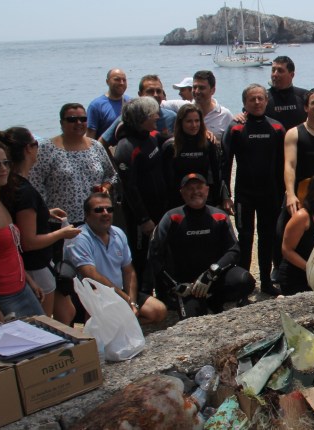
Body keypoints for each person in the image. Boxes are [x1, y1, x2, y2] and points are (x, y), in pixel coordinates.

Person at [0, 128, 81, 323]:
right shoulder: (24, 191)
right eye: (36, 144)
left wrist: (44, 213)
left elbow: (17, 218)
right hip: (35, 265)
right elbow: (29, 241)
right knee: (43, 321)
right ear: (28, 149)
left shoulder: (10, 184)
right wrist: (62, 234)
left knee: (67, 311)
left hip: (30, 263)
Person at [149, 174, 254, 317]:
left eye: (199, 187)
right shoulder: (172, 217)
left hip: (212, 277)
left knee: (245, 281)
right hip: (188, 286)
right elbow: (154, 255)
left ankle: (215, 300)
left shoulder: (219, 216)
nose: (195, 192)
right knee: (192, 321)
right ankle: (197, 302)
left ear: (207, 190)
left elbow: (233, 250)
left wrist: (211, 273)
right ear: (182, 193)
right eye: (190, 189)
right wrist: (175, 285)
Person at [222, 84, 286, 296]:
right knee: (246, 236)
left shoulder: (277, 128)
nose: (257, 103)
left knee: (267, 237)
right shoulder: (236, 128)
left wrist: (285, 192)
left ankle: (266, 282)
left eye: (260, 98)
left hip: (270, 193)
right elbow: (226, 164)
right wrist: (226, 196)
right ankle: (243, 284)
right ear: (245, 104)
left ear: (266, 101)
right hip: (244, 194)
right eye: (252, 99)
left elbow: (283, 165)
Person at [68, 193, 166, 324]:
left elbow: (128, 271)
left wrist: (132, 302)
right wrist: (125, 298)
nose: (105, 213)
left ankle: (124, 322)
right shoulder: (79, 238)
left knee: (159, 311)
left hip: (120, 292)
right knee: (102, 315)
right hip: (94, 293)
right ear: (86, 215)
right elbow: (91, 275)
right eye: (98, 210)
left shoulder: (118, 233)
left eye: (109, 209)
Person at [0, 140, 45, 324]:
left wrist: (28, 280)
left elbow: (10, 250)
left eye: (6, 163)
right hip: (1, 296)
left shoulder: (0, 201)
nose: (3, 169)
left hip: (21, 288)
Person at [113, 97, 167, 293]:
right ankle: (140, 297)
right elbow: (129, 188)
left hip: (158, 208)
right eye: (153, 114)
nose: (158, 116)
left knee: (159, 251)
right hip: (140, 216)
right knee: (140, 255)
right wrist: (143, 219)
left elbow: (173, 140)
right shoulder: (126, 147)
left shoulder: (150, 137)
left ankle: (161, 293)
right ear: (141, 118)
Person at [31, 103, 118, 223]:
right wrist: (44, 213)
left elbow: (111, 175)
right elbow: (35, 184)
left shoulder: (96, 146)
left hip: (95, 220)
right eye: (72, 120)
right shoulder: (47, 149)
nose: (78, 123)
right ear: (62, 123)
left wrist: (105, 187)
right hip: (61, 222)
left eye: (83, 119)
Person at [162, 104, 223, 210]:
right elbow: (166, 179)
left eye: (197, 120)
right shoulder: (171, 146)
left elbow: (216, 174)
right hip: (178, 200)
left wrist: (218, 200)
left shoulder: (208, 144)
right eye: (189, 121)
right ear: (181, 123)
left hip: (204, 199)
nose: (194, 125)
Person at [99, 74, 178, 148]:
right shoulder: (128, 118)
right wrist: (110, 162)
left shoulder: (172, 117)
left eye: (158, 91)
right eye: (150, 91)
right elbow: (101, 144)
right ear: (140, 94)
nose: (155, 95)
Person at [266, 56, 309, 129]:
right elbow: (247, 114)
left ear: (291, 75)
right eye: (273, 70)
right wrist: (240, 116)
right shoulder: (263, 97)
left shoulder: (304, 95)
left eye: (280, 71)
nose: (275, 74)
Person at [86, 68, 130, 139]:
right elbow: (90, 137)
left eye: (124, 80)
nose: (121, 83)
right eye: (117, 79)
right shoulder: (96, 106)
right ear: (107, 82)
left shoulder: (130, 102)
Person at [190, 70, 233, 142]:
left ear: (213, 90)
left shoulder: (225, 115)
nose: (197, 91)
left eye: (201, 88)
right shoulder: (184, 112)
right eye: (194, 87)